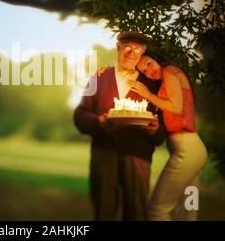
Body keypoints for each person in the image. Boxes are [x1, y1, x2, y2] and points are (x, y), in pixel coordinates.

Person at [73, 31, 167, 221]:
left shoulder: (152, 83)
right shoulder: (99, 77)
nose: (132, 53)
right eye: (127, 47)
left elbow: (162, 128)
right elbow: (80, 115)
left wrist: (154, 129)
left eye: (138, 49)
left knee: (136, 214)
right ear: (118, 47)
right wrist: (98, 122)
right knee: (103, 213)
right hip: (103, 153)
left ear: (143, 52)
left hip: (138, 155)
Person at [128, 50, 208, 221]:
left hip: (186, 150)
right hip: (195, 150)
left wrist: (147, 94)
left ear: (157, 59)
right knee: (188, 210)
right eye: (143, 71)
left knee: (157, 210)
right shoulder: (169, 78)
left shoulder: (169, 71)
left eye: (148, 63)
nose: (148, 71)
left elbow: (176, 108)